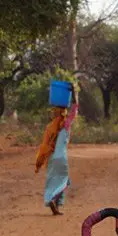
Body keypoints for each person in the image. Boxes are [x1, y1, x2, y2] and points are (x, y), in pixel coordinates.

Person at [35, 83, 79, 215]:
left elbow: (44, 145)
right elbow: (75, 110)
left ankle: (51, 200)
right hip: (61, 157)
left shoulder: (50, 127)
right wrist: (74, 94)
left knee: (52, 180)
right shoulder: (66, 124)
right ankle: (56, 203)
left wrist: (39, 161)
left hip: (51, 157)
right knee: (63, 181)